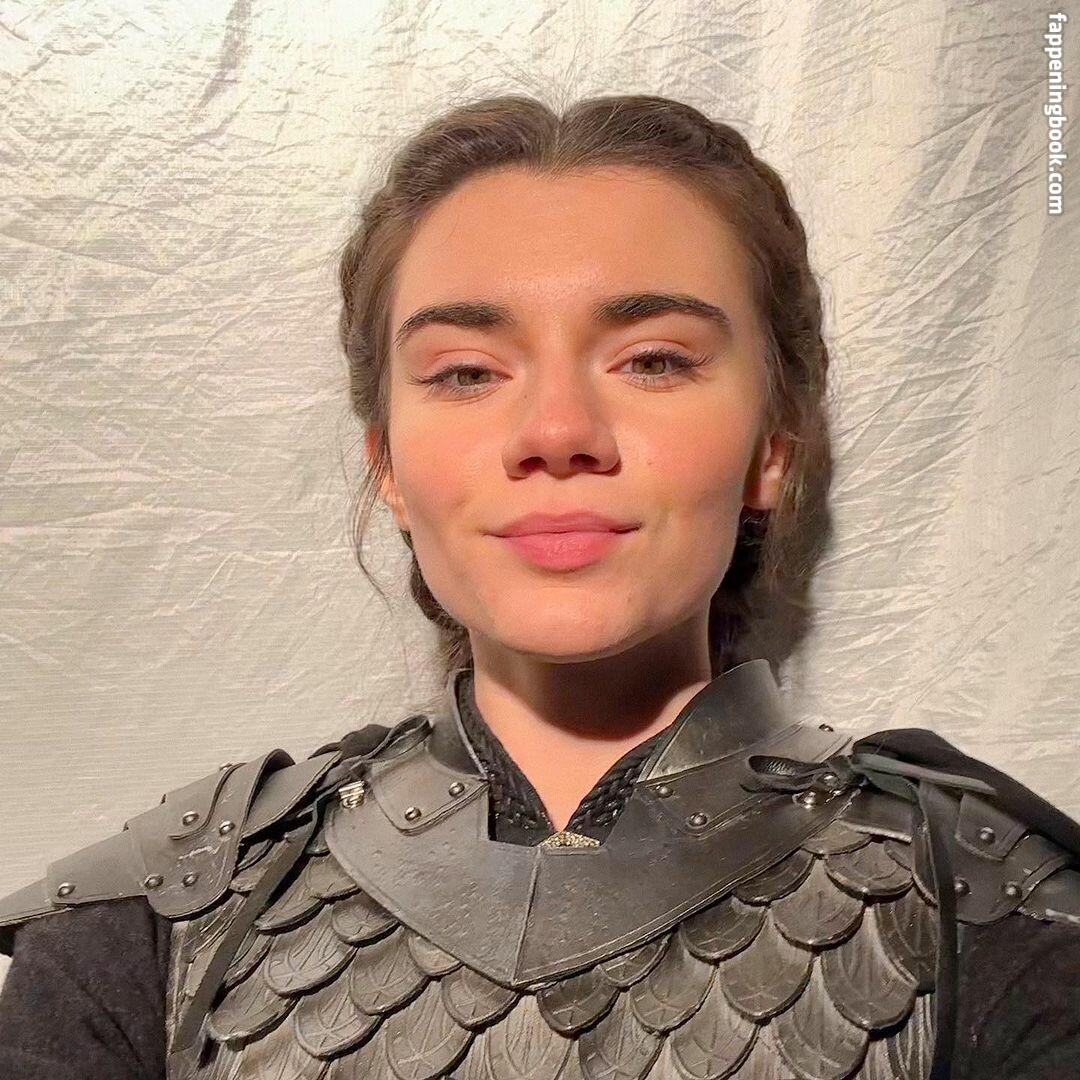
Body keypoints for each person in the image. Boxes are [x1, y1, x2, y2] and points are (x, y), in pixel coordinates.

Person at [0, 92, 1078, 1080]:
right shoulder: (145, 932)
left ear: (771, 449)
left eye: (653, 360)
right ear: (389, 465)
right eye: (467, 371)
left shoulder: (998, 916)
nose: (558, 431)